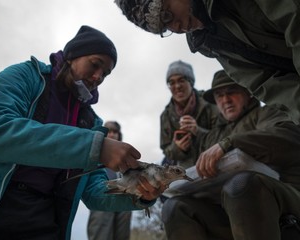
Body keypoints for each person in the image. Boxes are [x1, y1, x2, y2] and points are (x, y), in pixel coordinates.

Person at [0, 25, 166, 240]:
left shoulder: (91, 123)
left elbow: (94, 190)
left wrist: (137, 192)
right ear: (71, 56)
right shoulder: (25, 76)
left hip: (42, 219)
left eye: (105, 74)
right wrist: (92, 146)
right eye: (95, 64)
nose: (98, 77)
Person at [161, 70, 300, 240]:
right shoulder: (213, 135)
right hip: (228, 213)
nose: (225, 100)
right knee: (175, 207)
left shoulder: (268, 113)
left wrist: (230, 143)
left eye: (231, 92)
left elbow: (289, 138)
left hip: (284, 204)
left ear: (248, 93)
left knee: (241, 184)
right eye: (219, 95)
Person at [115, 0, 300, 125]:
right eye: (165, 28)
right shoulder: (210, 43)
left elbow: (294, 17)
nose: (176, 28)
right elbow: (265, 83)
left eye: (166, 16)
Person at [160, 60, 218, 168]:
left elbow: (225, 137)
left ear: (191, 82)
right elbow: (166, 150)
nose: (177, 86)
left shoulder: (210, 102)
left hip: (215, 165)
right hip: (187, 173)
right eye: (171, 82)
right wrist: (177, 148)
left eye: (181, 80)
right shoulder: (165, 116)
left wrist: (198, 131)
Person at [87, 121, 132, 240]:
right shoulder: (94, 156)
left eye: (115, 131)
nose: (112, 134)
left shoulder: (126, 159)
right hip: (102, 202)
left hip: (124, 203)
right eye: (109, 131)